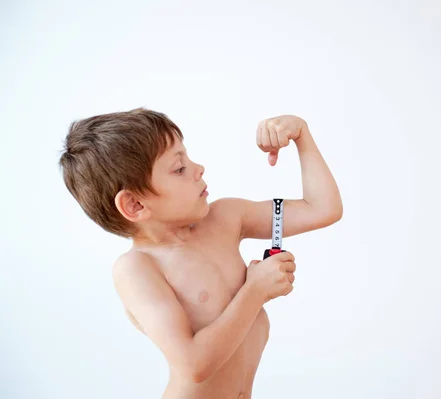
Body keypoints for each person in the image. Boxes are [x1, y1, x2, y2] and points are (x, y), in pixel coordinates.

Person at [58, 107, 343, 398]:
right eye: (179, 168)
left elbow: (322, 209)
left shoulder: (226, 218)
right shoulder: (137, 269)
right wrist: (255, 290)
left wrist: (301, 134)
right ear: (135, 205)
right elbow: (193, 365)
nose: (199, 169)